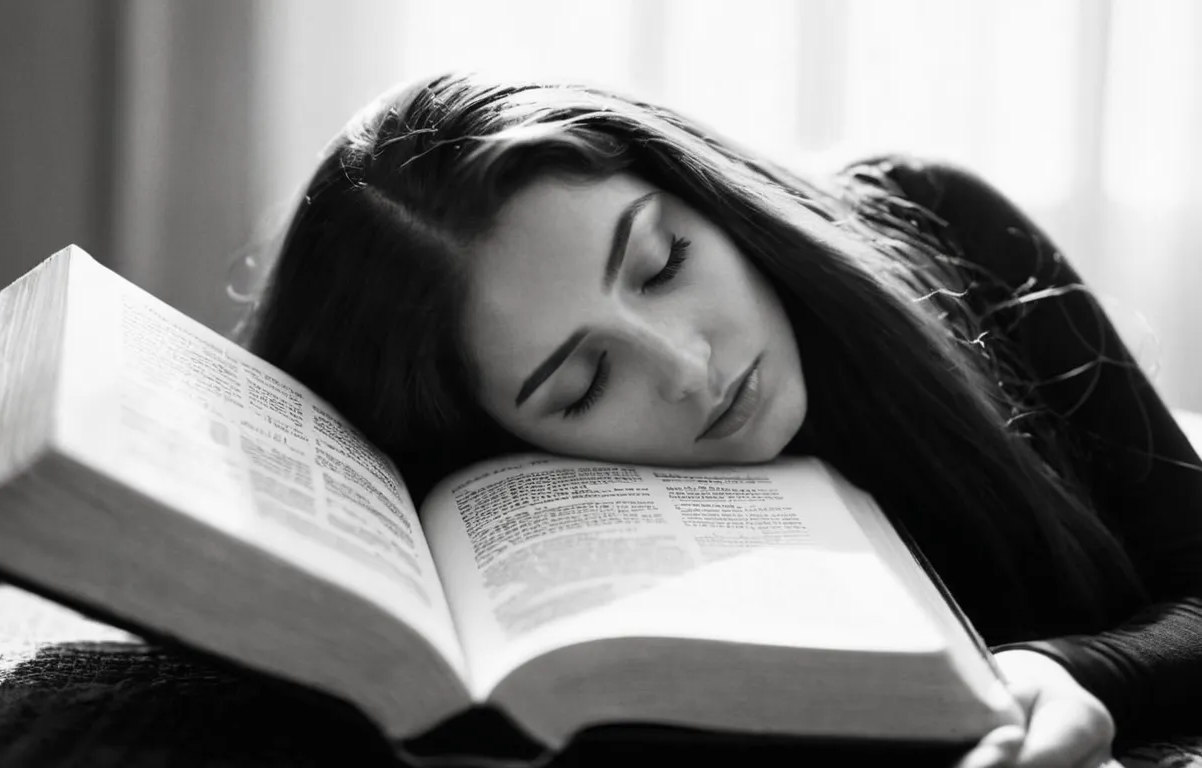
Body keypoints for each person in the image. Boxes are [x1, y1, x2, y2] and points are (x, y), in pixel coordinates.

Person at [239, 72, 1202, 767]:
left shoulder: (940, 221)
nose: (689, 369)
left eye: (663, 262)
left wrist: (1059, 672)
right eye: (579, 387)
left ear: (701, 190)